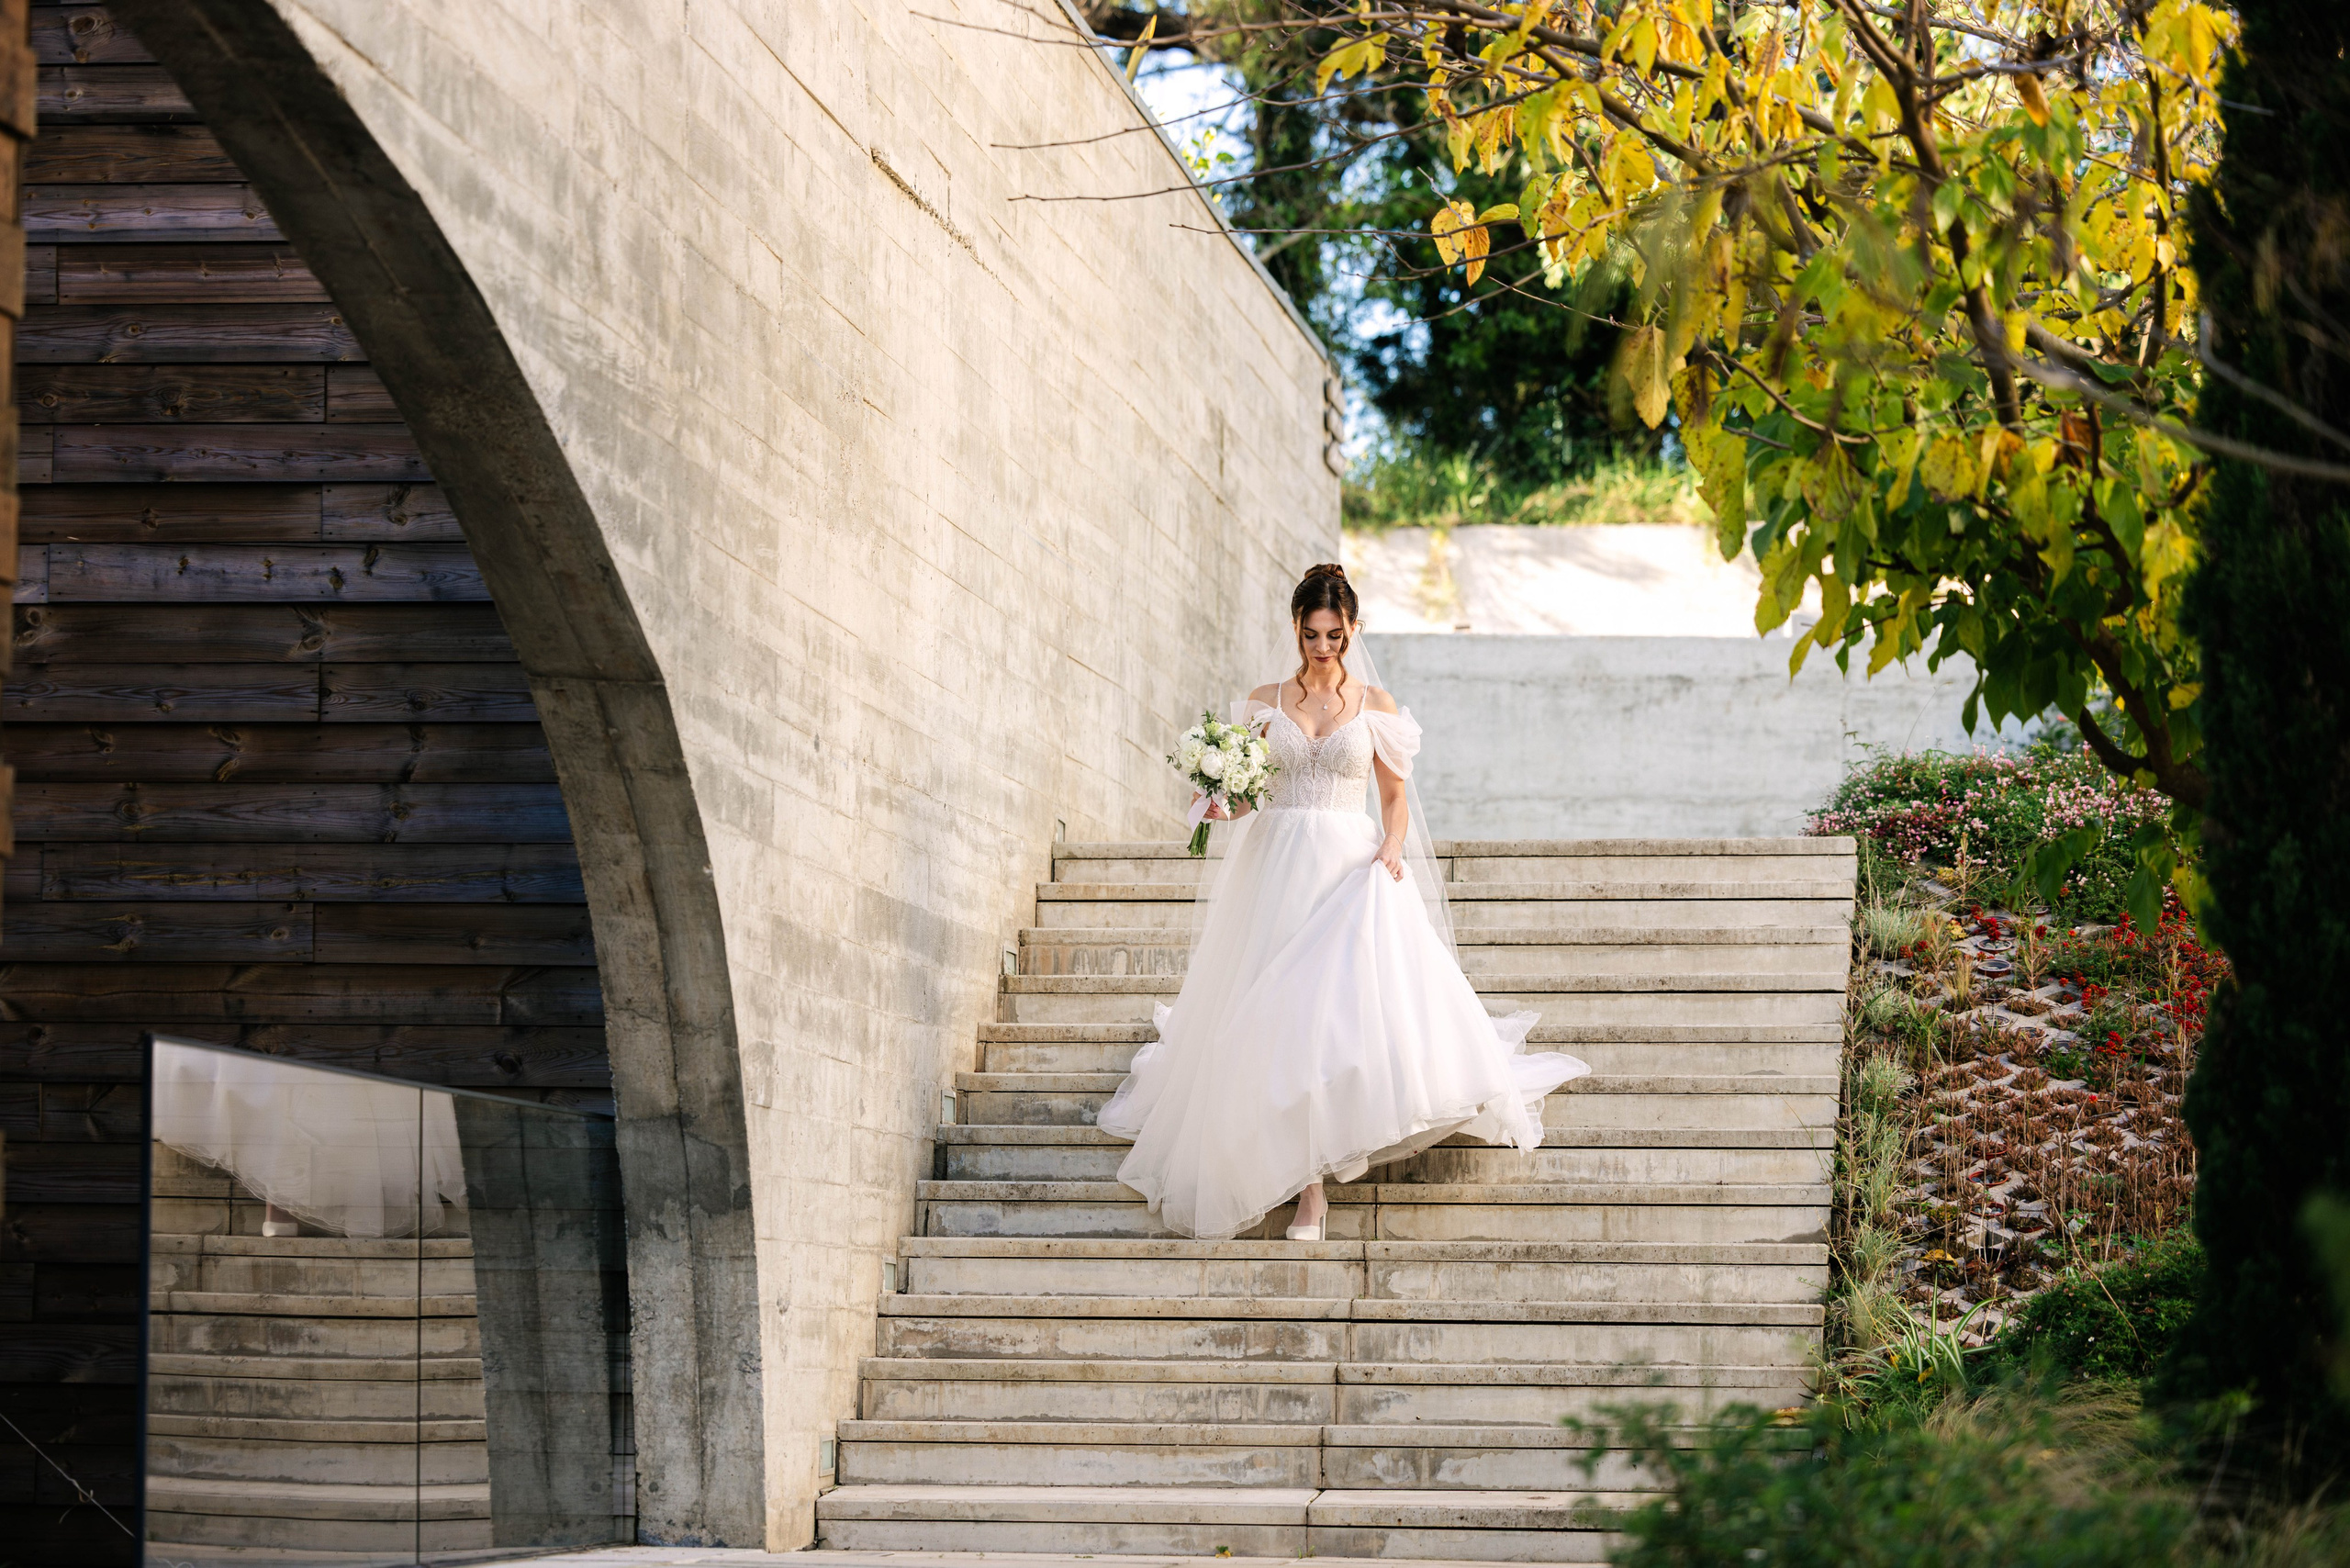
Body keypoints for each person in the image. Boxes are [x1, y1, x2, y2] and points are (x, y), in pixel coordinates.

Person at [1097, 563, 1589, 1240]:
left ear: (1353, 628)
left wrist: (1392, 845)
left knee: (1328, 1020)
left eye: (1334, 634)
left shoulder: (1377, 706)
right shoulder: (1264, 701)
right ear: (1296, 630)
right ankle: (1308, 1189)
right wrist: (1213, 794)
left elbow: (1394, 799)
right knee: (1279, 1017)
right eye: (1310, 634)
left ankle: (1320, 1178)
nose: (1322, 647)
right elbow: (1248, 797)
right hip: (1277, 864)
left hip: (1349, 863)